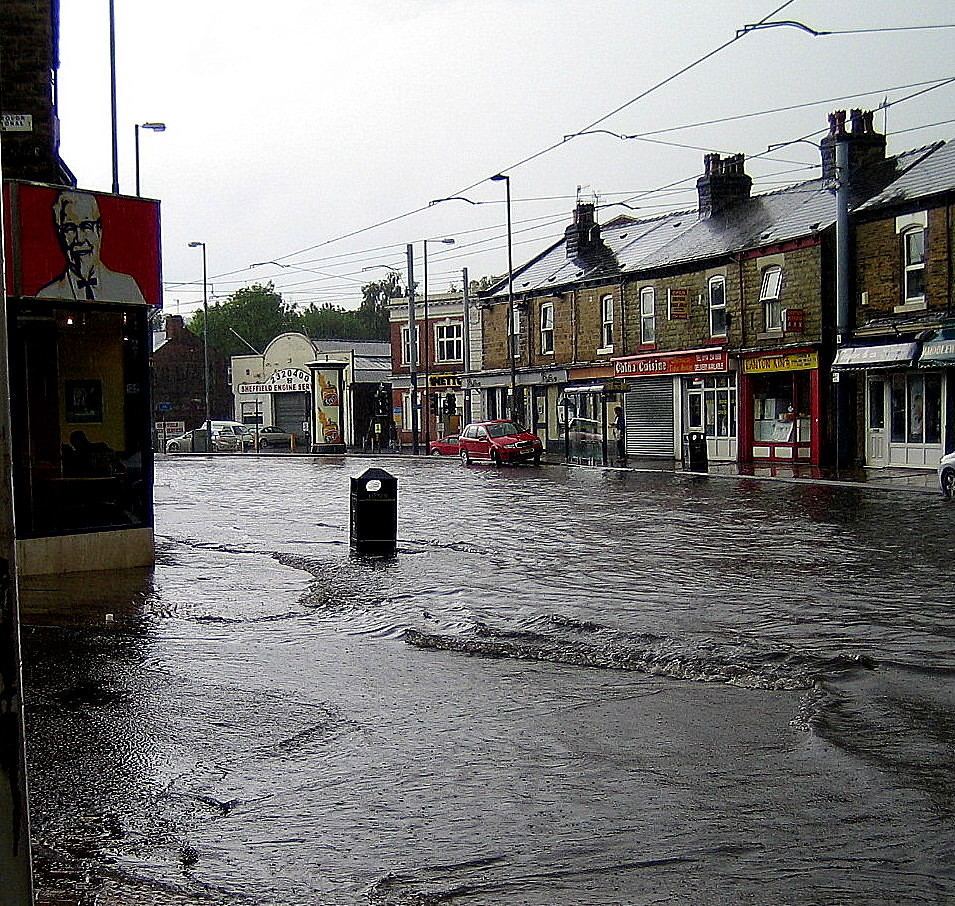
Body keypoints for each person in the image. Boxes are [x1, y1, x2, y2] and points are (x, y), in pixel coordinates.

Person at [37, 191, 145, 303]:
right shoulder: (47, 295)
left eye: (86, 226)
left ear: (99, 230)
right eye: (70, 229)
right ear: (60, 234)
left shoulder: (127, 287)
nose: (80, 239)